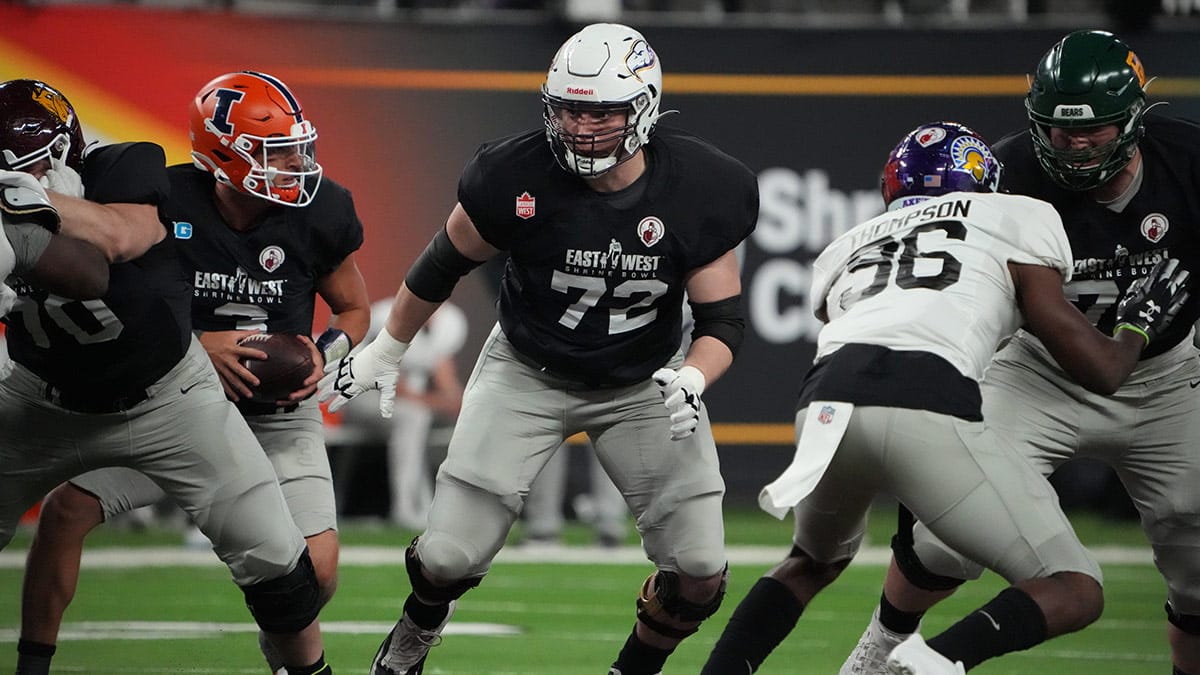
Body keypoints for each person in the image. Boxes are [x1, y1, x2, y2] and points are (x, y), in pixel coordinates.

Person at [320, 22, 758, 675]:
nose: (581, 127)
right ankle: (418, 625)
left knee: (699, 572)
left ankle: (634, 668)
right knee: (446, 555)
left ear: (643, 107)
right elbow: (440, 264)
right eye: (570, 108)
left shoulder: (700, 186)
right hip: (527, 369)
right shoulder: (513, 172)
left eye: (601, 111)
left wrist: (693, 376)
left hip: (642, 379)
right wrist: (388, 347)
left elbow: (722, 320)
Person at [699, 120, 1192, 675]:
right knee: (1075, 589)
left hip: (826, 405)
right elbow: (1102, 371)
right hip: (924, 400)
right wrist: (1139, 324)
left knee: (807, 563)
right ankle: (934, 661)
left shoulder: (848, 244)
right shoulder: (1019, 215)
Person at [836, 30, 1200, 675]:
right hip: (1040, 371)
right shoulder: (1003, 177)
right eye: (1060, 132)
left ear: (1135, 119)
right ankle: (879, 651)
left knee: (1198, 569)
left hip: (1171, 377)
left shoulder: (1190, 161)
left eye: (1092, 131)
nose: (1075, 144)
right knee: (950, 521)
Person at [15, 71, 370, 675]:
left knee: (318, 572)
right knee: (66, 511)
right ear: (222, 155)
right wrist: (200, 344)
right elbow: (126, 299)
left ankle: (283, 651)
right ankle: (32, 663)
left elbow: (355, 309)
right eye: (275, 151)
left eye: (296, 147)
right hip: (174, 400)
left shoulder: (323, 209)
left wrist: (324, 353)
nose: (293, 164)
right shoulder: (165, 198)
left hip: (276, 418)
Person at [330, 298, 466, 528]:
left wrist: (462, 403)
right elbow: (393, 385)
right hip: (360, 395)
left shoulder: (449, 322)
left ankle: (427, 506)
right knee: (414, 416)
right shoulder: (386, 317)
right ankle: (404, 508)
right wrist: (435, 402)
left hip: (405, 402)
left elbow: (446, 379)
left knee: (419, 418)